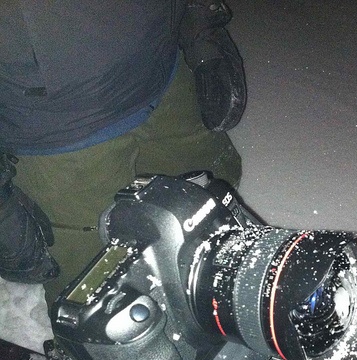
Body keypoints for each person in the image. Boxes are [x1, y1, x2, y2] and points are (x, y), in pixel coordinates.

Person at [0, 0, 246, 310]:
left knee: (215, 205)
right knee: (95, 299)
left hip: (162, 69)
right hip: (53, 128)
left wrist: (199, 28)